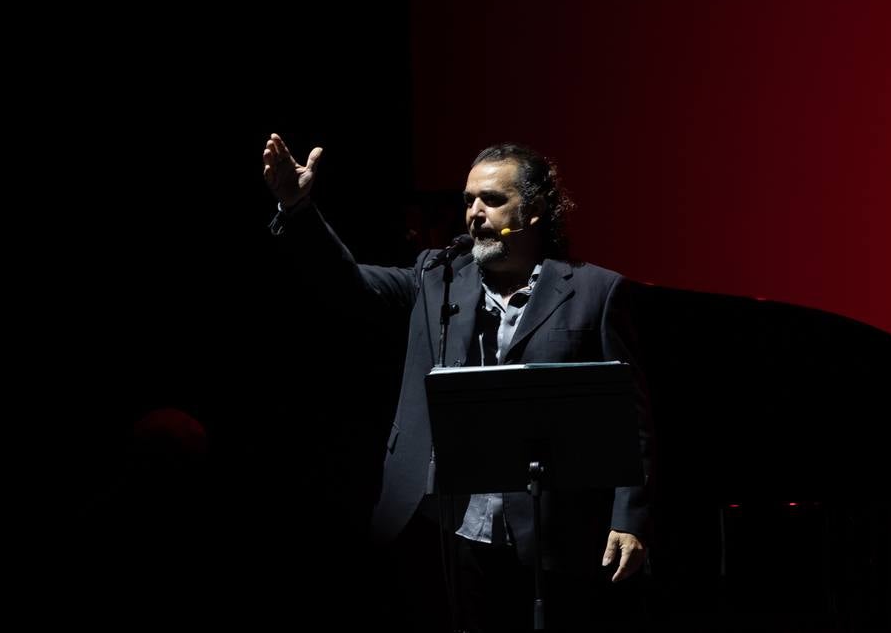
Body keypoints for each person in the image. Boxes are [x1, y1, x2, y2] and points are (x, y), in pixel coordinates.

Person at [264, 133, 653, 632]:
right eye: (469, 200)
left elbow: (632, 420)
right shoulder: (438, 275)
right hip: (444, 525)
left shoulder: (596, 292)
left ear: (534, 211)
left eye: (492, 200)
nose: (475, 213)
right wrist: (298, 209)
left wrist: (629, 518)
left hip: (550, 530)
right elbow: (350, 284)